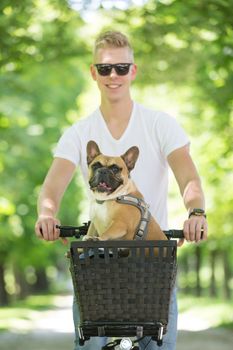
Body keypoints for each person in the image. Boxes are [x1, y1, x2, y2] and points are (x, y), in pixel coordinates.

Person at [35, 31, 208, 350]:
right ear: (93, 72)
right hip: (99, 264)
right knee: (89, 345)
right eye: (104, 69)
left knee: (158, 346)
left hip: (151, 260)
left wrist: (195, 212)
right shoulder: (79, 132)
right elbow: (54, 182)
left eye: (121, 68)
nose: (113, 76)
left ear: (133, 71)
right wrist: (47, 214)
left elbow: (188, 176)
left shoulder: (159, 124)